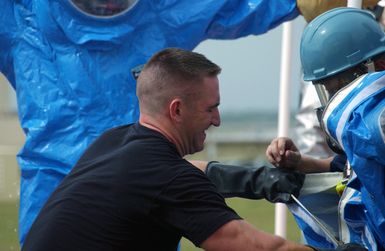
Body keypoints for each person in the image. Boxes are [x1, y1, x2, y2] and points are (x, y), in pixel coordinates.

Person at [0, 0, 379, 243]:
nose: (216, 120)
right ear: (176, 109)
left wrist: (258, 180)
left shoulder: (114, 144)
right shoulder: (163, 176)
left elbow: (188, 172)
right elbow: (251, 244)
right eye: (210, 108)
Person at [266, 7, 385, 251]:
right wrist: (301, 162)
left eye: (338, 87)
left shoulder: (377, 125)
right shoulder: (364, 133)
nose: (334, 101)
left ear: (377, 66)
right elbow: (353, 166)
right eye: (327, 90)